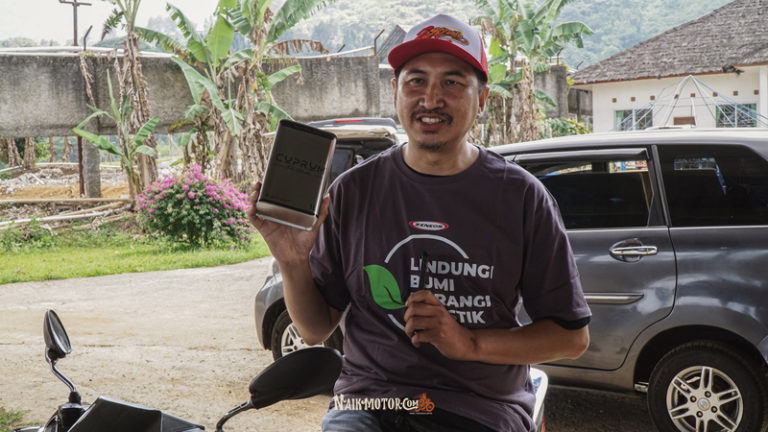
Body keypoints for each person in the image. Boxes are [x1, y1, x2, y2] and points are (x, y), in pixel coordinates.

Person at [249, 13, 591, 432]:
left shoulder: (521, 198)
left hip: (479, 408)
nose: (431, 98)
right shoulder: (353, 192)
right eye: (416, 81)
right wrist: (292, 261)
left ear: (482, 99)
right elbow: (315, 329)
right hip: (368, 403)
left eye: (452, 82)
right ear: (395, 91)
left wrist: (468, 343)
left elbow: (571, 338)